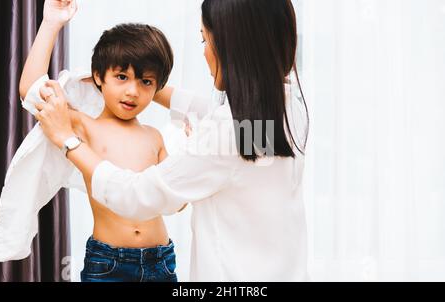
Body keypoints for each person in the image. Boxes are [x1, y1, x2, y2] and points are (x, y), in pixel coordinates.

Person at [35, 0, 310, 281]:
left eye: (205, 39)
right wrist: (138, 80)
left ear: (232, 45)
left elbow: (137, 195)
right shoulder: (287, 109)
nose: (204, 52)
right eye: (121, 77)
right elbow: (32, 92)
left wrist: (67, 140)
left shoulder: (224, 132)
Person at [5, 0, 181, 282]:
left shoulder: (154, 136)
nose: (132, 91)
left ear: (158, 87)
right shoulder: (82, 125)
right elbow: (31, 90)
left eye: (146, 82)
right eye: (122, 77)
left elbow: (177, 200)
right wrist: (51, 22)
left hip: (161, 260)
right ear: (98, 77)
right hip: (108, 262)